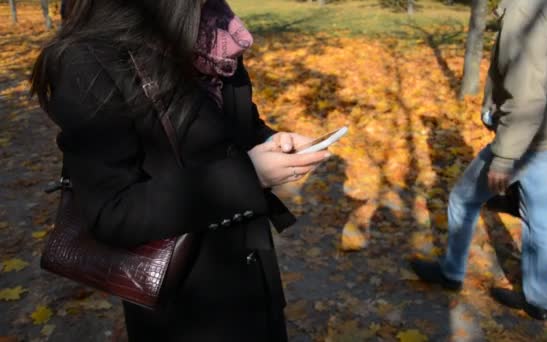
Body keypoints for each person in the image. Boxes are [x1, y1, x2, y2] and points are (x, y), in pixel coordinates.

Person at [31, 0, 331, 340]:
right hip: (185, 307)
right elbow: (112, 212)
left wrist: (276, 141)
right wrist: (250, 176)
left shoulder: (215, 36)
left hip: (253, 280)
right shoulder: (90, 59)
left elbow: (237, 126)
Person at [409, 0, 547, 321]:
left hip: (524, 138)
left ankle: (451, 271)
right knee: (538, 219)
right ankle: (539, 300)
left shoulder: (523, 10)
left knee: (462, 199)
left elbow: (524, 94)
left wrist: (503, 157)